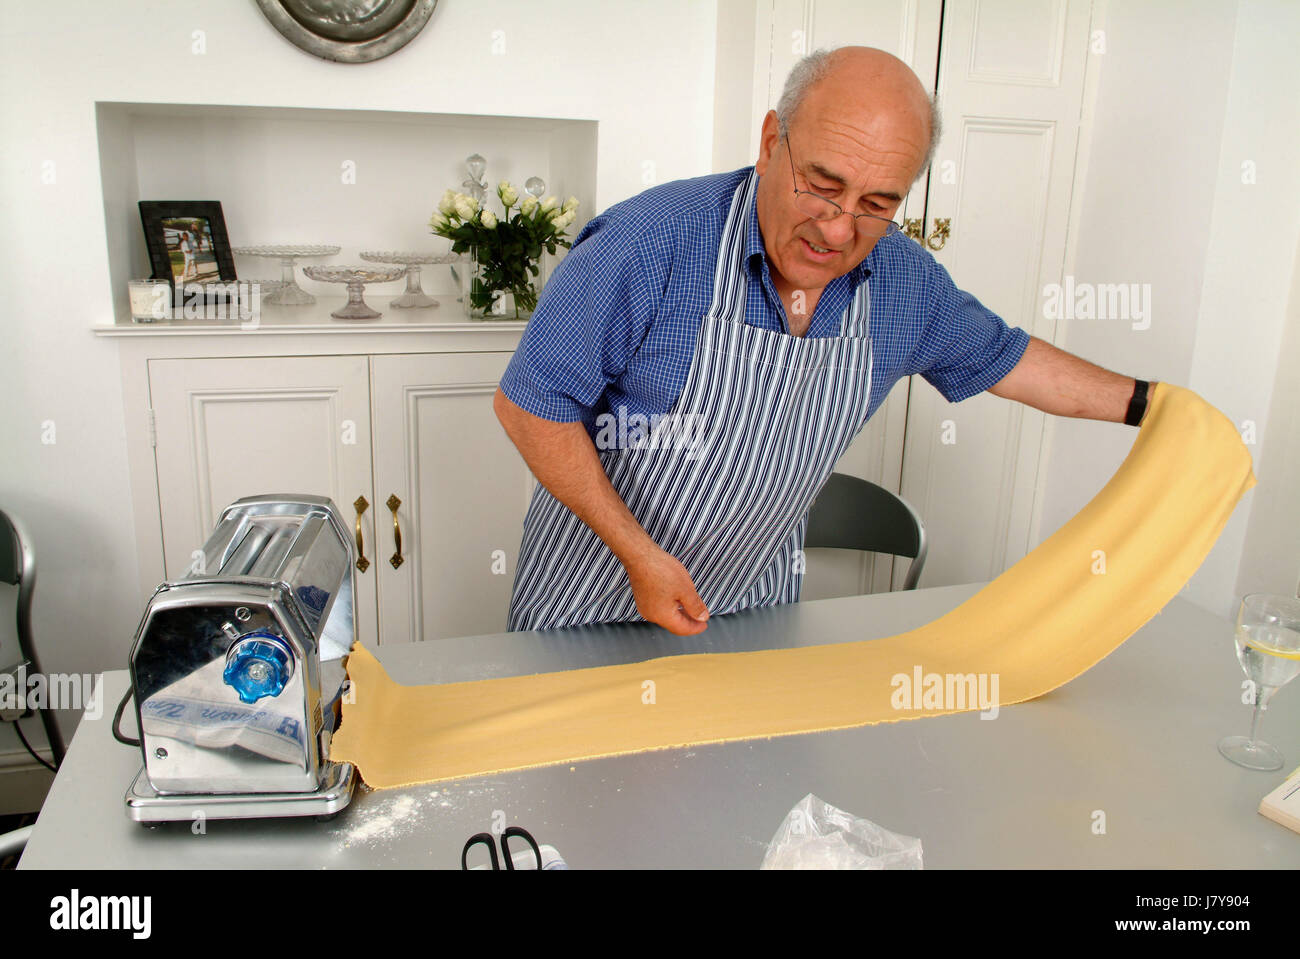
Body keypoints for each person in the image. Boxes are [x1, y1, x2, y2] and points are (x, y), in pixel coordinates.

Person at [494, 46, 1150, 636]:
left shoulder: (905, 284)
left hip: (751, 617)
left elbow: (1013, 360)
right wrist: (640, 554)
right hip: (587, 609)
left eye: (875, 204)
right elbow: (531, 404)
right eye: (823, 186)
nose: (838, 230)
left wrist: (1154, 407)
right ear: (771, 141)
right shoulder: (650, 242)